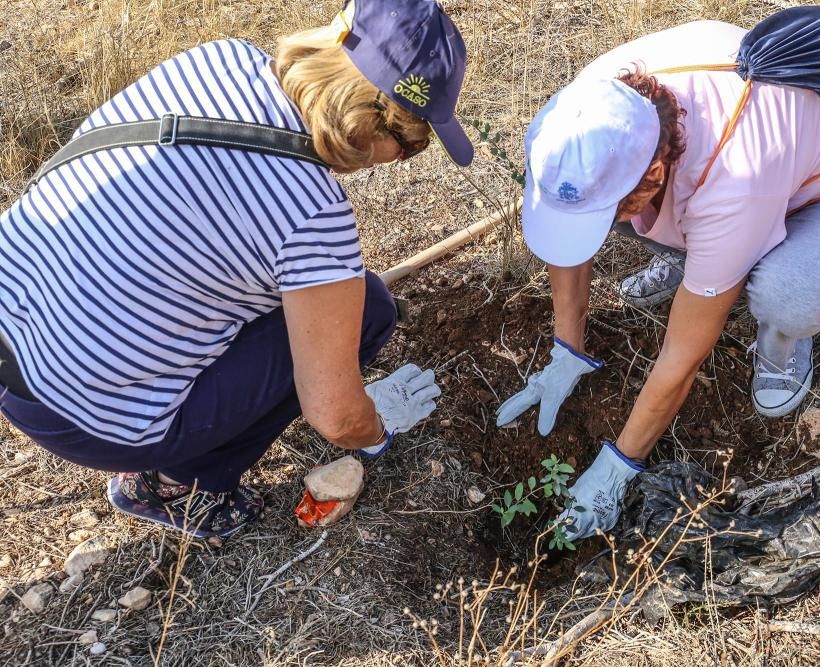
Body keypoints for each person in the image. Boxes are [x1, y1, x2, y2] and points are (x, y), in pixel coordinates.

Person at [0, 0, 473, 538]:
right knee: (368, 310)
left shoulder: (218, 59)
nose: (405, 157)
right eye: (413, 143)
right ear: (377, 123)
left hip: (12, 327)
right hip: (82, 416)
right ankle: (177, 485)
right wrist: (374, 427)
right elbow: (336, 416)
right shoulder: (312, 217)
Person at [496, 20, 820, 540]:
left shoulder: (733, 183)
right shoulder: (590, 114)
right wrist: (568, 347)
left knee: (789, 296)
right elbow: (569, 228)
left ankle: (783, 334)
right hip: (751, 175)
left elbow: (683, 355)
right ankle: (704, 259)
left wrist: (617, 467)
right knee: (609, 217)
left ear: (652, 176)